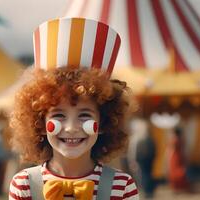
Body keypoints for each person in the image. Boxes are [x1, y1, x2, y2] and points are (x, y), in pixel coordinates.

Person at [9, 17, 139, 200]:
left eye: (84, 115)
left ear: (103, 123)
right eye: (59, 115)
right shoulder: (24, 184)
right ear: (39, 122)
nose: (71, 127)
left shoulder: (122, 186)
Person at [167, 127, 190, 192]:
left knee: (175, 172)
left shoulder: (174, 140)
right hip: (179, 157)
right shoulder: (181, 140)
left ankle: (176, 187)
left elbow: (171, 150)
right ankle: (180, 186)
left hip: (174, 157)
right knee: (180, 171)